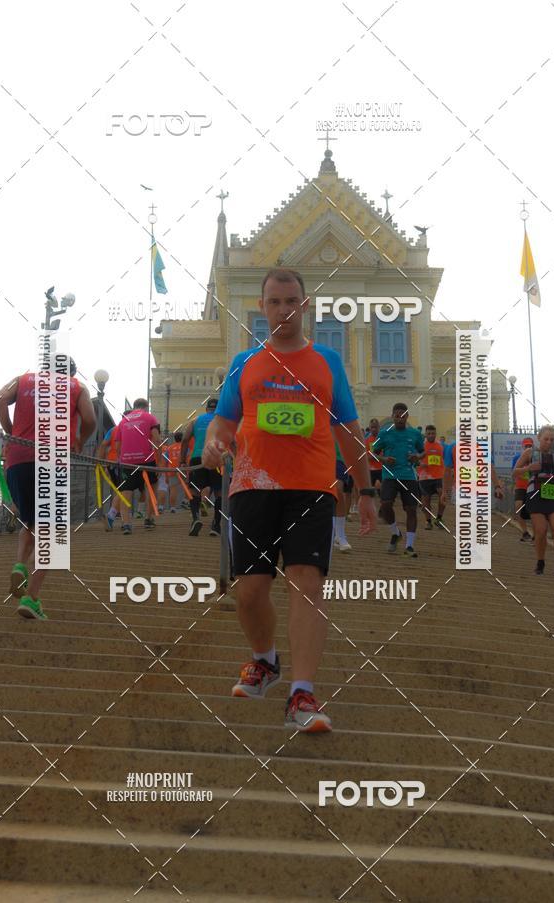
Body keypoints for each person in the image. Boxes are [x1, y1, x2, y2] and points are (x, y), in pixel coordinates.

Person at [202, 267, 376, 732]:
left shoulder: (327, 363)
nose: (284, 309)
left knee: (306, 583)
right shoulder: (244, 363)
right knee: (250, 592)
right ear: (262, 308)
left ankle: (303, 693)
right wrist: (212, 445)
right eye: (275, 301)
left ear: (305, 306)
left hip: (312, 488)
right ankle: (265, 660)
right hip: (252, 488)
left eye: (292, 301)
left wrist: (366, 489)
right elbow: (222, 423)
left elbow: (348, 432)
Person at [0, 358, 96, 619]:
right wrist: (79, 440)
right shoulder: (76, 387)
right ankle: (32, 598)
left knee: (31, 520)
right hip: (51, 461)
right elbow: (90, 419)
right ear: (71, 372)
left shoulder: (25, 378)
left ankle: (20, 565)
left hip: (17, 459)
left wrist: (12, 431)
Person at [373, 403, 425, 558]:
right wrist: (384, 458)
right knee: (386, 505)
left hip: (409, 476)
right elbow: (373, 452)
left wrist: (417, 457)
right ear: (392, 416)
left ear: (407, 416)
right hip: (389, 475)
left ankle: (409, 546)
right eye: (397, 416)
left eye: (403, 416)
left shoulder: (415, 434)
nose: (400, 418)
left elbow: (422, 452)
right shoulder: (383, 433)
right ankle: (395, 532)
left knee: (411, 509)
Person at [513, 425, 554, 576]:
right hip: (535, 493)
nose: (549, 442)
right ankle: (540, 561)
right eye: (546, 439)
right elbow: (514, 472)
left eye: (552, 440)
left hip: (553, 493)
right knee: (540, 531)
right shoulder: (530, 452)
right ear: (539, 438)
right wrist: (528, 468)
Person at [116, 399, 161, 534]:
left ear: (134, 407)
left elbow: (118, 445)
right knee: (152, 488)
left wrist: (122, 459)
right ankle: (148, 519)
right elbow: (157, 440)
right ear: (146, 407)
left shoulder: (123, 421)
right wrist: (158, 462)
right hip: (147, 459)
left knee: (126, 492)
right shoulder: (150, 417)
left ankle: (126, 524)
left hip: (127, 461)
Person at [181, 399, 222, 537]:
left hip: (197, 458)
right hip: (217, 457)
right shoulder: (222, 420)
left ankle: (196, 519)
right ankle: (216, 525)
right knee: (219, 492)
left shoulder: (195, 420)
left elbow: (185, 439)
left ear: (207, 409)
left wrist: (182, 461)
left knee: (194, 490)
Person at [418, 424, 446, 529]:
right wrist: (420, 464)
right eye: (429, 433)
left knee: (442, 496)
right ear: (425, 434)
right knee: (426, 500)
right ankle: (428, 521)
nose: (431, 435)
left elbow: (444, 459)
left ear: (436, 434)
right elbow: (414, 458)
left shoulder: (440, 446)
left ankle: (439, 518)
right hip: (424, 477)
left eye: (433, 433)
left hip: (438, 476)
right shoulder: (421, 445)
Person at [97, 422, 121, 531]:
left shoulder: (113, 430)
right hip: (124, 462)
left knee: (119, 490)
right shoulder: (132, 428)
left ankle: (117, 512)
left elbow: (103, 445)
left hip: (111, 463)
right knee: (124, 490)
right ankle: (111, 515)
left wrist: (100, 463)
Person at [512, 438, 534, 542]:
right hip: (520, 486)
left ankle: (535, 534)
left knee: (533, 510)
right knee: (518, 508)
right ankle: (525, 532)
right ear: (523, 446)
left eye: (530, 446)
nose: (528, 447)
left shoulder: (535, 457)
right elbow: (514, 472)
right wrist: (513, 485)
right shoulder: (517, 457)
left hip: (531, 486)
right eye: (526, 446)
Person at [333, 441, 353, 551]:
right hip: (317, 456)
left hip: (338, 459)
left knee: (337, 490)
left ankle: (340, 535)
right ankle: (333, 534)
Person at [162, 430, 184, 513]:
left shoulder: (169, 448)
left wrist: (166, 474)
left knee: (173, 489)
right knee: (189, 487)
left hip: (171, 470)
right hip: (183, 469)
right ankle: (187, 503)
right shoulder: (185, 446)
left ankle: (173, 508)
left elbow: (165, 461)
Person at [365, 418, 383, 495]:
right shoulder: (367, 440)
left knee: (383, 494)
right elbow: (367, 457)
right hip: (371, 470)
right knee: (370, 494)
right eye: (372, 427)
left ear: (379, 427)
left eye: (376, 427)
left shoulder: (382, 439)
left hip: (382, 469)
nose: (374, 429)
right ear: (369, 428)